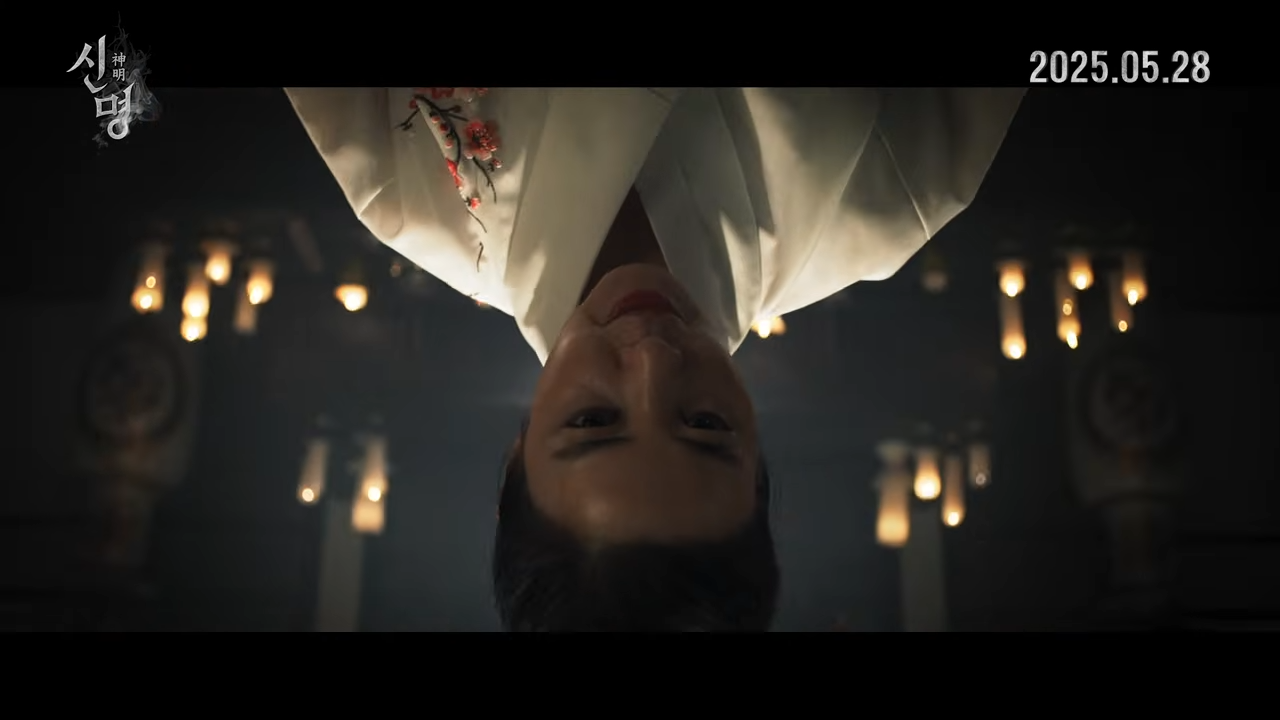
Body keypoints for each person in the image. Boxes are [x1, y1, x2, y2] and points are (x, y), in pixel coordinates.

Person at [285, 87, 1024, 631]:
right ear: (757, 457)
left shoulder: (398, 189)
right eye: (704, 423)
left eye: (593, 420)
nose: (652, 357)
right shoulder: (891, 197)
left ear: (515, 460)